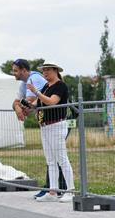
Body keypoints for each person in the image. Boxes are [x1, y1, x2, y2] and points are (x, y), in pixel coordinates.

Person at [11, 58, 66, 198]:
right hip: (48, 121)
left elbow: (29, 103)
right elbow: (17, 102)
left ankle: (58, 188)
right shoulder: (24, 84)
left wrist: (21, 107)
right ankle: (54, 189)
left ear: (24, 70)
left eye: (15, 70)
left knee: (58, 156)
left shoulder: (33, 79)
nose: (13, 73)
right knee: (52, 157)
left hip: (58, 119)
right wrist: (18, 108)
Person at [27, 63, 75, 203]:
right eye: (43, 71)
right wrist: (26, 105)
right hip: (45, 125)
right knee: (50, 160)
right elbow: (37, 103)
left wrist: (36, 92)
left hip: (56, 124)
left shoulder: (60, 86)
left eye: (48, 70)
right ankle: (52, 191)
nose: (45, 73)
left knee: (62, 158)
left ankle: (70, 190)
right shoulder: (46, 86)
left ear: (55, 71)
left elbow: (52, 102)